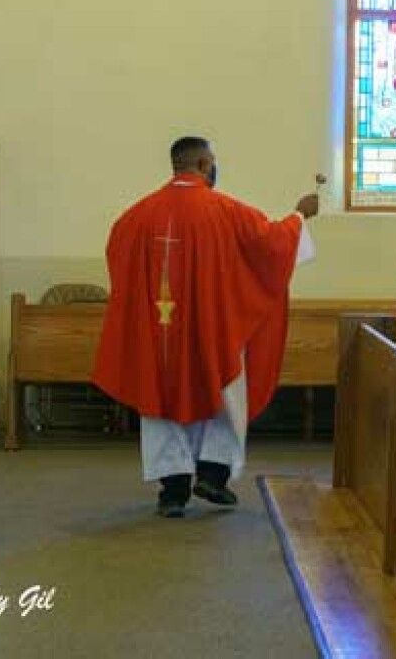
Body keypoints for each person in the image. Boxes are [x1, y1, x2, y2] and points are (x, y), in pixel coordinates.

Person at [92, 137, 318, 518]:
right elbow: (270, 244)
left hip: (160, 329)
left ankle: (173, 490)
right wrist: (299, 216)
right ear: (200, 163)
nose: (214, 168)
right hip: (214, 329)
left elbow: (118, 256)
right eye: (212, 161)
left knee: (160, 398)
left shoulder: (137, 216)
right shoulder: (226, 210)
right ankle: (213, 475)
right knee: (225, 391)